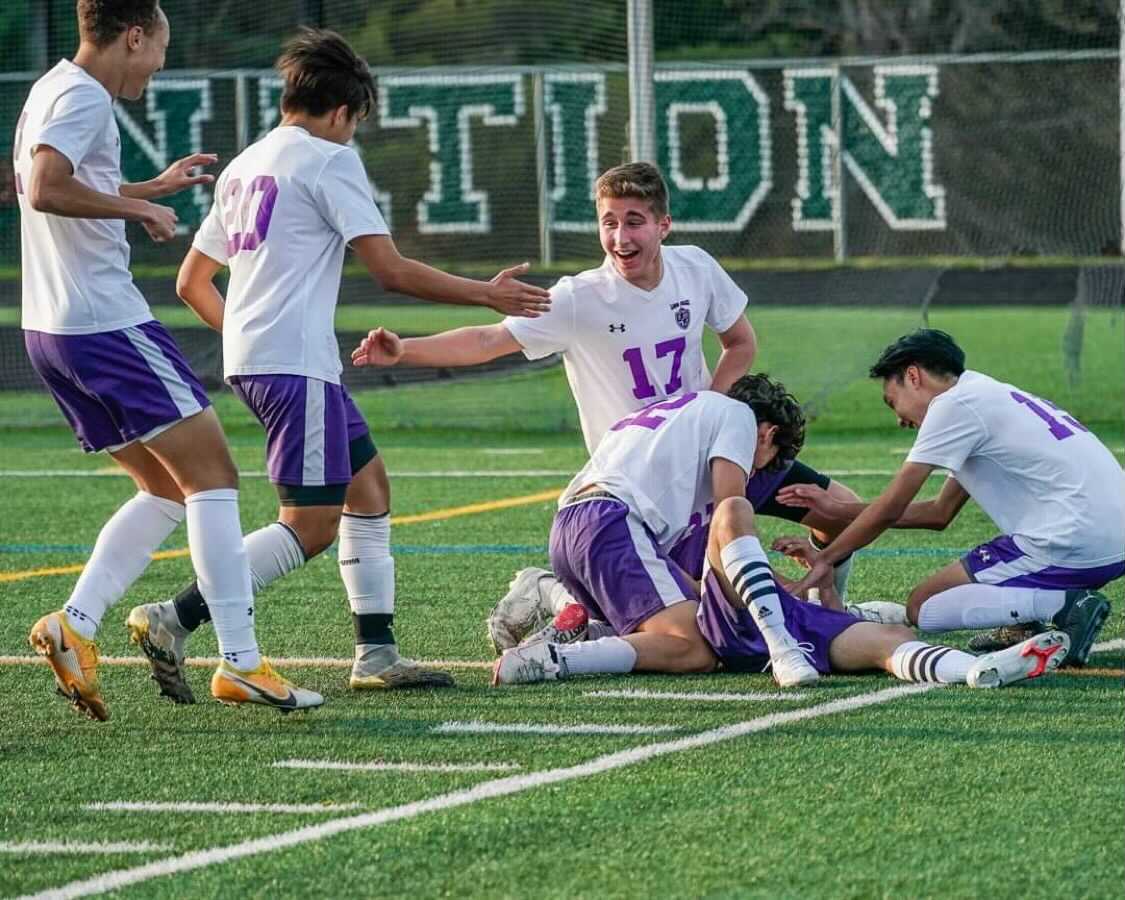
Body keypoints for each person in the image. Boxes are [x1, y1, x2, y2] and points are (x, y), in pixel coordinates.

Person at [125, 27, 551, 702]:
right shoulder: (327, 159)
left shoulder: (246, 164)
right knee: (311, 524)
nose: (352, 133)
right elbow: (389, 270)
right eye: (355, 122)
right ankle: (173, 616)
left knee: (369, 487)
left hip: (268, 361)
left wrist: (246, 336)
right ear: (342, 111)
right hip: (292, 364)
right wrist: (487, 293)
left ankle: (376, 654)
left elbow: (191, 282)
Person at [351, 162, 863, 641]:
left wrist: (709, 411)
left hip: (713, 457)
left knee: (842, 511)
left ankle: (829, 606)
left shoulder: (696, 269)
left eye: (634, 221)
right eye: (609, 222)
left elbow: (741, 342)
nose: (621, 237)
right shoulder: (579, 298)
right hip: (644, 484)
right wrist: (404, 351)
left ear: (664, 225)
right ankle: (554, 591)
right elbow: (488, 340)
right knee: (696, 622)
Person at [18, 0, 322, 719]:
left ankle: (75, 623)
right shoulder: (84, 96)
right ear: (133, 36)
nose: (159, 64)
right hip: (104, 324)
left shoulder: (51, 87)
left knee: (164, 489)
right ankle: (243, 662)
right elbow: (43, 188)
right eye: (158, 48)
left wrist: (149, 189)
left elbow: (65, 178)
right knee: (213, 475)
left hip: (54, 331)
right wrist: (144, 214)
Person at [491, 376, 1070, 690]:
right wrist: (781, 574)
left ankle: (974, 670)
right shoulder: (735, 419)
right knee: (721, 550)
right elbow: (729, 510)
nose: (768, 471)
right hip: (616, 527)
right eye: (773, 457)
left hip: (581, 527)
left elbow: (699, 573)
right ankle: (554, 654)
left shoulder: (674, 430)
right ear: (765, 432)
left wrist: (819, 580)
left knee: (874, 645)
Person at [784, 329, 1123, 667]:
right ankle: (1025, 623)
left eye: (893, 401)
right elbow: (938, 512)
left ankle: (1065, 606)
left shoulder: (952, 407)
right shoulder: (983, 392)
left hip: (1076, 541)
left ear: (913, 376)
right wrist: (839, 509)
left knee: (923, 606)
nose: (899, 419)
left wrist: (826, 559)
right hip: (1111, 541)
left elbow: (891, 508)